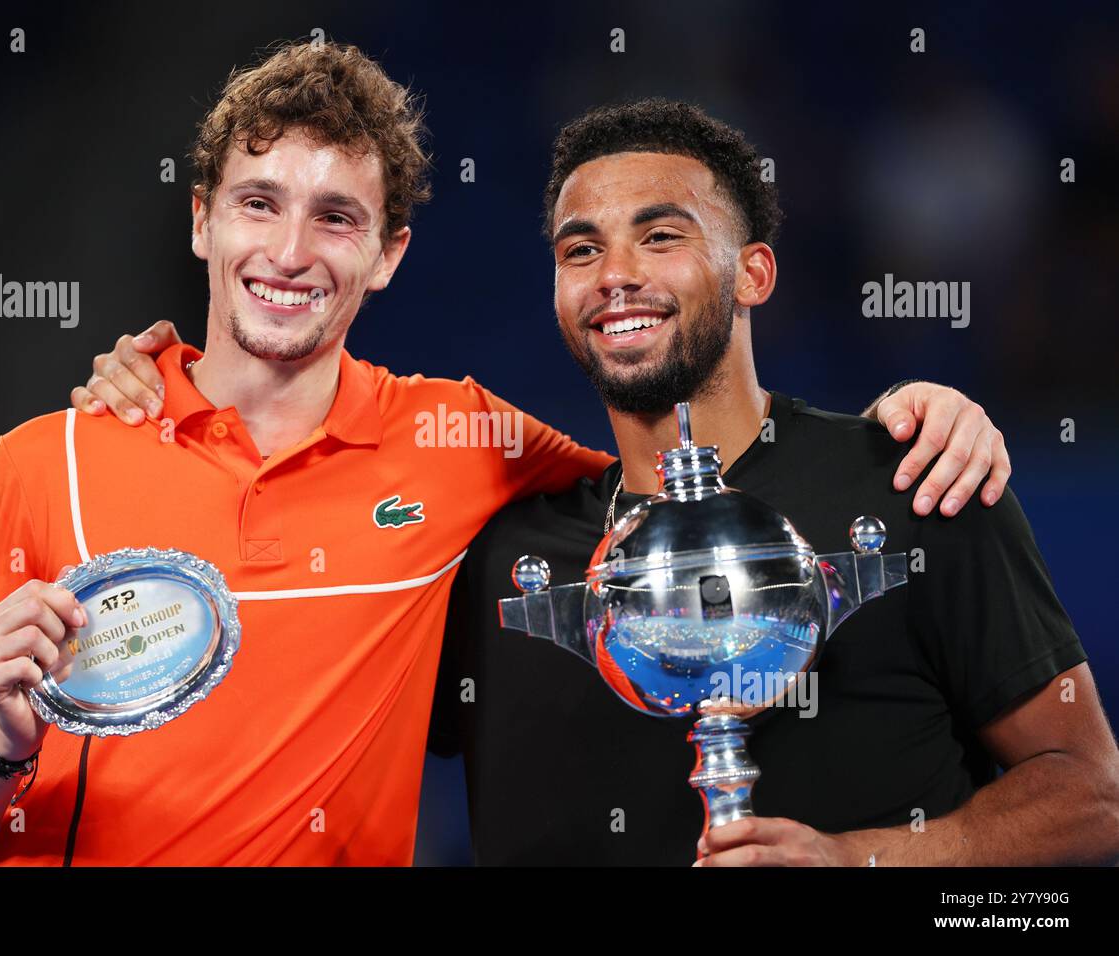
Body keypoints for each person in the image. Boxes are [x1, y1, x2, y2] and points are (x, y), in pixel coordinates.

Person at [0, 42, 1008, 868]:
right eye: (257, 204)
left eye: (335, 217)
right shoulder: (46, 461)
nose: (287, 250)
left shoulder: (463, 441)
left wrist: (914, 416)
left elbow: (687, 461)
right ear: (200, 222)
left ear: (388, 253)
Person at [422, 99, 1118, 865]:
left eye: (659, 237)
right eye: (580, 251)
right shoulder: (498, 553)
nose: (616, 275)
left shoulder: (917, 483)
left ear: (753, 273)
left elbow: (1093, 797)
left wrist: (854, 861)